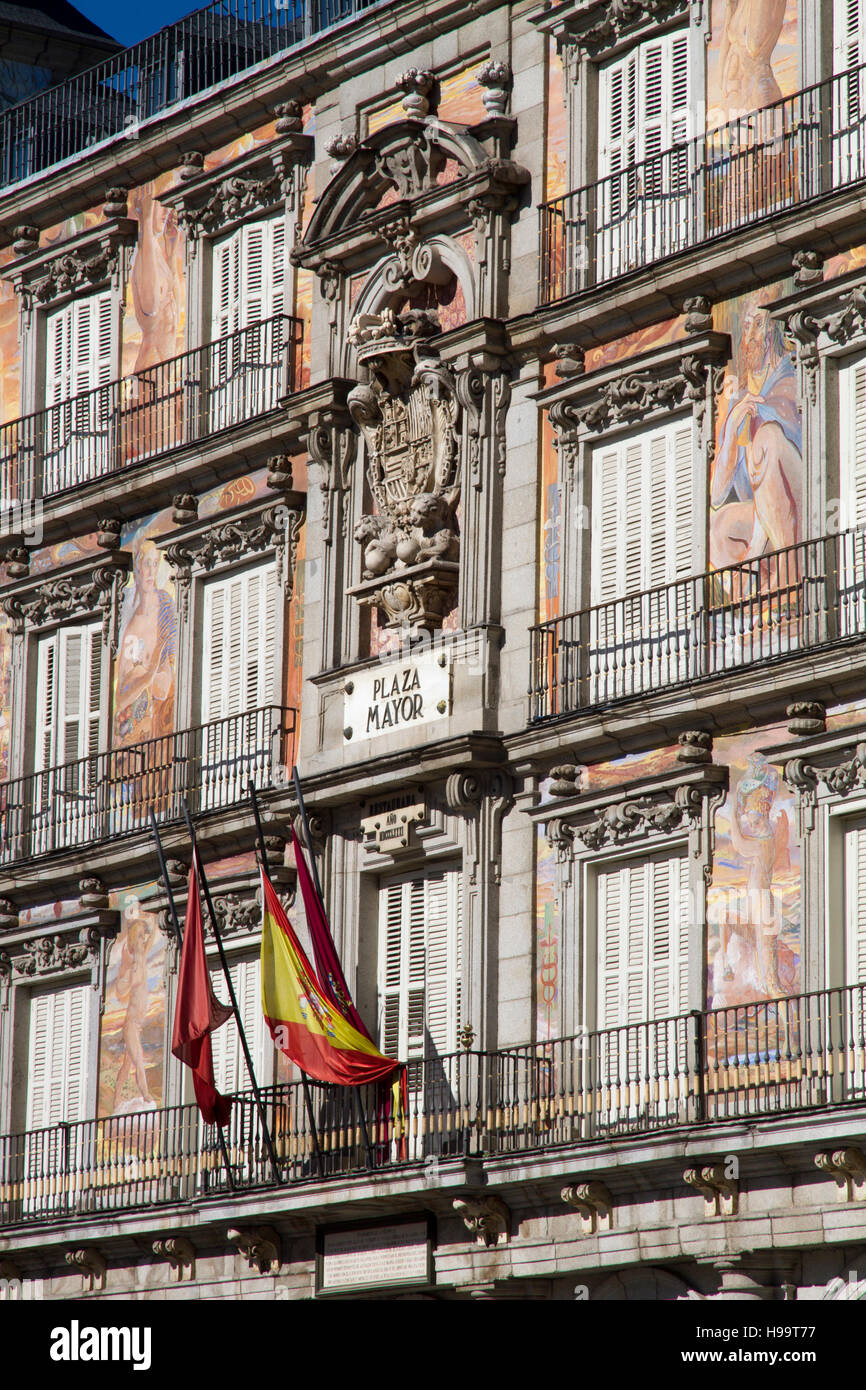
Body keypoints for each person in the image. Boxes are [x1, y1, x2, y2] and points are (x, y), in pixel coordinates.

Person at [710, 301, 803, 572]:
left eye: (758, 325)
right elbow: (716, 494)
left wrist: (753, 546)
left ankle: (789, 573)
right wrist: (730, 430)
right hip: (761, 522)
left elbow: (776, 457)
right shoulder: (739, 397)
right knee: (718, 524)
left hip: (797, 505)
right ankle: (752, 594)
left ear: (773, 333)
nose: (749, 336)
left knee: (768, 439)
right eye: (746, 326)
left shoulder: (789, 375)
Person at [112, 901, 159, 1110]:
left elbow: (151, 940)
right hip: (131, 1024)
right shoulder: (132, 967)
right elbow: (121, 991)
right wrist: (125, 980)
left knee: (126, 1065)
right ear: (133, 940)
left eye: (144, 936)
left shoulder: (142, 958)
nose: (144, 939)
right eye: (140, 936)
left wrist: (153, 916)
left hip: (138, 1024)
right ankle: (146, 1094)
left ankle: (115, 1098)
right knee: (138, 1060)